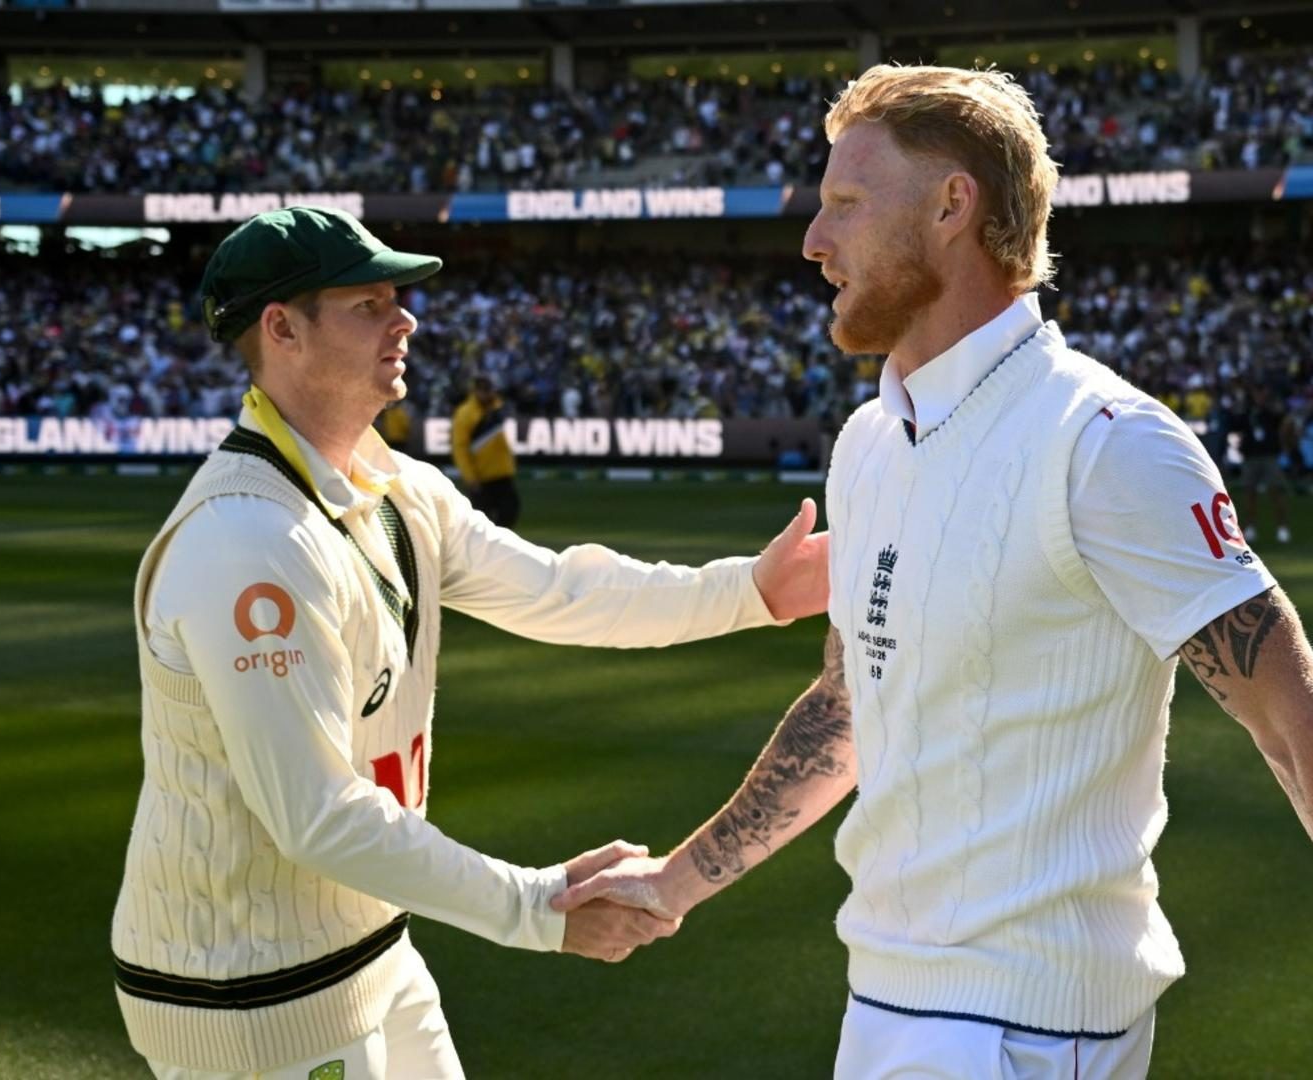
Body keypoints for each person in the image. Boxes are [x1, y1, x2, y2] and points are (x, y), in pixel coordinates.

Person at [555, 66, 1313, 1080]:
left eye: (844, 202)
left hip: (1025, 1031)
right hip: (883, 997)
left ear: (950, 205)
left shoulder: (1102, 442)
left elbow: (1289, 718)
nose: (812, 240)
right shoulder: (868, 441)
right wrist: (676, 882)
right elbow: (848, 705)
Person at [110, 206, 831, 1080]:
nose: (405, 318)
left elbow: (558, 590)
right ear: (282, 328)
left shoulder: (394, 485)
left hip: (365, 944)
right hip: (253, 994)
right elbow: (318, 815)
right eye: (369, 303)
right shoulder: (248, 540)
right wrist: (539, 906)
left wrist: (749, 591)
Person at [449, 374, 520, 526]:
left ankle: (498, 546)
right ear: (475, 391)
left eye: (489, 390)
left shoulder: (499, 408)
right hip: (481, 477)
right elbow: (460, 449)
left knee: (509, 512)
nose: (487, 394)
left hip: (502, 474)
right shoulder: (465, 414)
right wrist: (470, 478)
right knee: (481, 523)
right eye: (483, 390)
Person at [1233, 382, 1293, 543]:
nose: (1259, 396)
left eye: (1262, 393)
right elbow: (1236, 425)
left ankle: (1282, 527)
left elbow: (1285, 422)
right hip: (1251, 457)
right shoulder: (1246, 412)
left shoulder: (1272, 411)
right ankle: (1250, 527)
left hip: (1268, 456)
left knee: (1276, 492)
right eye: (1257, 393)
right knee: (1249, 494)